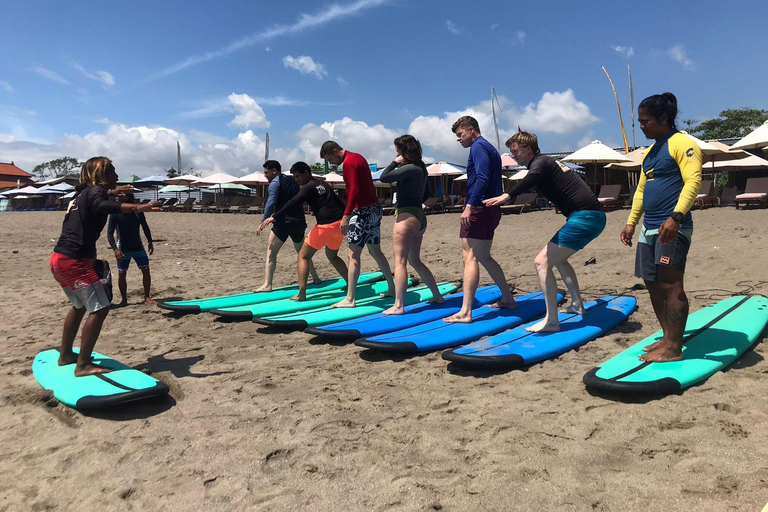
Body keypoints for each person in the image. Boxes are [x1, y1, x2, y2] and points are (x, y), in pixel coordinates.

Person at [484, 131, 606, 332]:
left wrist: (507, 195)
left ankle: (551, 321)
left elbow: (531, 178)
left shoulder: (540, 163)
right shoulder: (547, 162)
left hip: (586, 217)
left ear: (528, 149)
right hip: (590, 217)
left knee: (541, 262)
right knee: (558, 259)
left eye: (515, 151)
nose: (513, 155)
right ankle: (577, 305)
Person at [50, 157, 161, 376]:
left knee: (80, 306)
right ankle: (82, 365)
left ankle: (65, 356)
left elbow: (95, 200)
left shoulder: (80, 194)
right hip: (74, 260)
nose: (117, 176)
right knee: (100, 307)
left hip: (59, 259)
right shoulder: (94, 194)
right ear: (101, 175)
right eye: (113, 171)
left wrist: (111, 192)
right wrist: (140, 206)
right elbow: (100, 204)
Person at [620, 92, 702, 362]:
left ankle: (675, 348)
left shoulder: (682, 144)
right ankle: (667, 338)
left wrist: (676, 217)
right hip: (649, 227)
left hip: (672, 226)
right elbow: (642, 190)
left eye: (645, 121)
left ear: (663, 119)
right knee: (652, 284)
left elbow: (693, 182)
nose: (642, 126)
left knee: (670, 286)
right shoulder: (650, 153)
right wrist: (632, 222)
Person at [443, 116, 516, 323]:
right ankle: (508, 298)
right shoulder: (490, 148)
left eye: (460, 134)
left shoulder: (478, 147)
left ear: (471, 130)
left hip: (480, 207)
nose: (459, 139)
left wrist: (469, 205)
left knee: (470, 257)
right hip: (491, 209)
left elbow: (482, 177)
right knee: (483, 256)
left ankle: (465, 312)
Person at [320, 141, 395, 308]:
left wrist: (346, 215)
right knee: (375, 251)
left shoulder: (349, 162)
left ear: (335, 151)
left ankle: (350, 299)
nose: (331, 163)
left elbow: (353, 189)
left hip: (362, 211)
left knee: (352, 254)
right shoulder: (358, 157)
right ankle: (392, 288)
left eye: (330, 159)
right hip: (375, 208)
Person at [258, 162, 348, 301]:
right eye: (294, 177)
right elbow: (340, 203)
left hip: (325, 226)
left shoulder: (308, 187)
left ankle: (302, 294)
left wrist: (274, 217)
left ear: (307, 172)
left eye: (298, 176)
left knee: (303, 256)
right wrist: (346, 218)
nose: (296, 179)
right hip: (338, 225)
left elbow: (293, 202)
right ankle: (350, 283)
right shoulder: (323, 184)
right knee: (332, 256)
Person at [378, 135, 445, 315]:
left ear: (404, 151)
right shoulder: (422, 169)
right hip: (419, 216)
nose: (396, 153)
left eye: (397, 150)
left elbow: (384, 177)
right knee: (415, 260)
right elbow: (427, 194)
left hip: (406, 215)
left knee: (400, 262)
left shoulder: (409, 168)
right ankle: (437, 295)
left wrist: (394, 162)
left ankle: (399, 305)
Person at [255, 160, 320, 292]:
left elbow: (271, 203)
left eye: (267, 172)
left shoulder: (274, 183)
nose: (265, 175)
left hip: (282, 222)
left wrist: (264, 220)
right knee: (303, 253)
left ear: (275, 171)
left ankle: (268, 284)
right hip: (298, 222)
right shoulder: (293, 180)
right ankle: (315, 277)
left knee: (271, 252)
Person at [106, 192, 155, 306]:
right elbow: (109, 233)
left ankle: (147, 296)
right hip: (123, 248)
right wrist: (115, 249)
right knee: (122, 273)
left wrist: (150, 241)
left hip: (138, 246)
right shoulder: (115, 213)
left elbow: (145, 226)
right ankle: (124, 299)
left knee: (146, 270)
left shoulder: (137, 212)